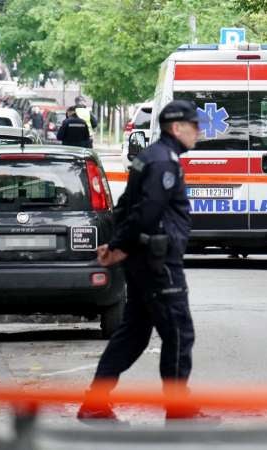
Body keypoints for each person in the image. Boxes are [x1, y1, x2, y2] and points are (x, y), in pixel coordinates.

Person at [77, 100, 204, 422]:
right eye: (194, 126)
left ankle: (95, 402)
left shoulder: (149, 157)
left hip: (144, 258)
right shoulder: (164, 161)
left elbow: (125, 206)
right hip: (158, 262)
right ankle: (179, 409)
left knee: (133, 334)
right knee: (178, 333)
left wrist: (120, 244)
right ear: (177, 128)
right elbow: (147, 212)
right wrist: (120, 245)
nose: (199, 133)